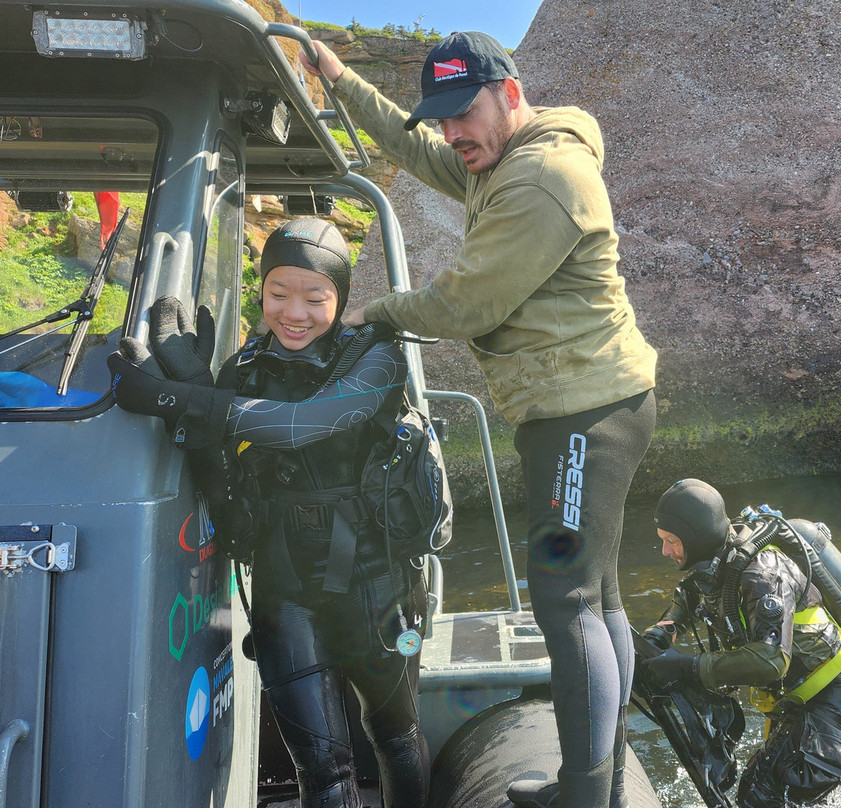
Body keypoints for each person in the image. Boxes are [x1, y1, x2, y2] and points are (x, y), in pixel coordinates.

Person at [301, 31, 657, 808]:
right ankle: (600, 777)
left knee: (566, 604)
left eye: (465, 112)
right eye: (446, 116)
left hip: (581, 419)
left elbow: (469, 302)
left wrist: (373, 313)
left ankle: (587, 794)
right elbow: (418, 145)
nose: (454, 131)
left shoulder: (540, 181)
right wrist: (341, 80)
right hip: (593, 405)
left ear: (512, 94)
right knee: (599, 598)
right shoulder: (500, 159)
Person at [107, 218, 429, 808]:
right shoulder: (246, 367)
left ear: (342, 297)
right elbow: (220, 476)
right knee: (324, 770)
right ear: (262, 292)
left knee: (395, 736)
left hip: (375, 580)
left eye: (316, 296)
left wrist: (180, 398)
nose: (294, 312)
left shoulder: (378, 359)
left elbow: (301, 425)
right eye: (278, 293)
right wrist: (196, 390)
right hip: (284, 582)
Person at [638, 479, 841, 808]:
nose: (665, 551)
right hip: (799, 697)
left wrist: (690, 667)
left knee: (762, 797)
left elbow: (771, 659)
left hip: (836, 694)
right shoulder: (715, 568)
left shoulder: (763, 576)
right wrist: (658, 635)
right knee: (756, 789)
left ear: (696, 537)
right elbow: (682, 608)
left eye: (672, 541)